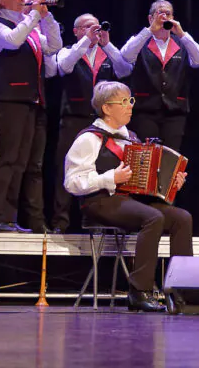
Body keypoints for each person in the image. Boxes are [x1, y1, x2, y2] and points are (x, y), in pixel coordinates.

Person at [63, 81, 193, 312]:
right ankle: (139, 290)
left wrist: (172, 185)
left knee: (182, 218)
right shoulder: (89, 139)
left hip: (129, 201)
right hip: (99, 202)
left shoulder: (131, 138)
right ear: (106, 108)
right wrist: (109, 178)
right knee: (153, 218)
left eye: (130, 100)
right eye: (124, 102)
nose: (130, 106)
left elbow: (147, 185)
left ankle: (181, 289)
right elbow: (72, 183)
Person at [0, 0, 63, 233]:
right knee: (5, 159)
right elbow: (12, 41)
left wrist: (45, 18)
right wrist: (34, 15)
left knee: (21, 162)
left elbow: (54, 46)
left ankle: (8, 218)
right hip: (6, 100)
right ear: (1, 0)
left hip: (30, 101)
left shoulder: (30, 25)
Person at [49, 13, 132, 234]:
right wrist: (86, 40)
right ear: (76, 31)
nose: (92, 30)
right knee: (66, 169)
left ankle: (98, 220)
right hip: (74, 116)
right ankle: (61, 221)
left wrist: (108, 44)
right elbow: (64, 66)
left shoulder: (107, 53)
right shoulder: (69, 51)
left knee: (101, 167)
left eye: (95, 27)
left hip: (103, 122)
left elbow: (125, 70)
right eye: (86, 27)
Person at [119, 0, 199, 151]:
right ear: (150, 18)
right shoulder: (141, 40)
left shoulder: (181, 42)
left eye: (168, 14)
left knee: (171, 157)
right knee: (147, 155)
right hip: (145, 110)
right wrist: (149, 31)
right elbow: (125, 55)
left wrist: (181, 34)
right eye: (160, 13)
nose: (164, 18)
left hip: (175, 110)